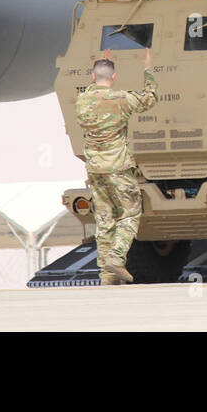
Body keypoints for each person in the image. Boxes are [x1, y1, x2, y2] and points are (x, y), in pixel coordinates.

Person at [74, 48, 156, 285]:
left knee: (105, 218)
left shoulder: (83, 100)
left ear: (92, 77)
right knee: (130, 214)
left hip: (95, 168)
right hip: (118, 167)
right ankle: (116, 258)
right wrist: (148, 70)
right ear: (114, 77)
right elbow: (150, 98)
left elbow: (92, 91)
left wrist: (100, 63)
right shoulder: (121, 99)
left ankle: (107, 275)